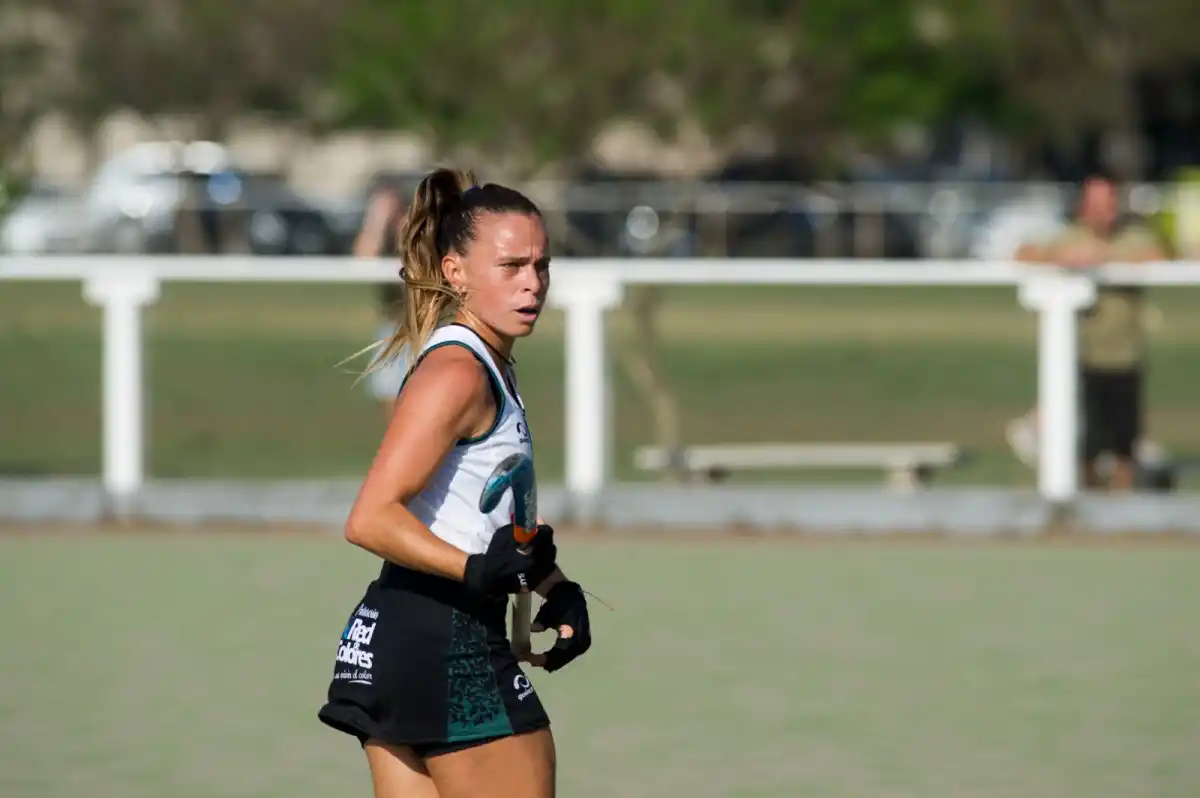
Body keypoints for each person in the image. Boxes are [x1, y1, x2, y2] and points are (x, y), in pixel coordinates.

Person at [318, 167, 593, 798]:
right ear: (455, 272)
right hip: (448, 645)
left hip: (404, 641)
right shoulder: (458, 372)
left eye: (542, 266)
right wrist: (476, 572)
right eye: (512, 265)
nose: (533, 284)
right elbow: (371, 518)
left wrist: (552, 585)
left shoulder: (488, 362)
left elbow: (476, 515)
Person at [1015, 173, 1169, 490]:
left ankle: (1123, 512)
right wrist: (1061, 259)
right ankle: (1085, 508)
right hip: (1084, 357)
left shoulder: (1134, 236)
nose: (1105, 211)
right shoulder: (1068, 237)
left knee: (1125, 444)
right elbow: (1026, 255)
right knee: (1085, 445)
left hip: (1125, 358)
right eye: (1098, 203)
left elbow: (1160, 258)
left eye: (1110, 203)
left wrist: (1106, 258)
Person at [353, 182, 410, 417]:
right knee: (394, 415)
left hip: (428, 332)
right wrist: (376, 221)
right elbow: (362, 262)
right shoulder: (382, 239)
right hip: (393, 332)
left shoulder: (420, 231)